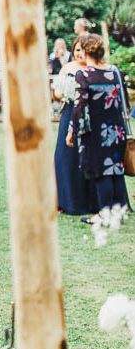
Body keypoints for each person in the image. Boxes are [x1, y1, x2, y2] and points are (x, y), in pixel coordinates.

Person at [67, 33, 132, 217]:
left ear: (87, 52)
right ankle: (119, 212)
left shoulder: (84, 75)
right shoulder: (114, 72)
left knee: (101, 172)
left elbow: (79, 107)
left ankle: (104, 215)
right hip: (116, 130)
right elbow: (123, 102)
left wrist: (72, 132)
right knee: (116, 170)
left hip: (95, 132)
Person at [52, 37, 90, 215]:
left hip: (88, 115)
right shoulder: (67, 68)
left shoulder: (93, 68)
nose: (79, 53)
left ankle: (85, 200)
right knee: (64, 155)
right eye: (77, 50)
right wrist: (66, 95)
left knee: (85, 156)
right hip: (69, 113)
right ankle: (63, 200)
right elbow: (57, 91)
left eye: (83, 50)